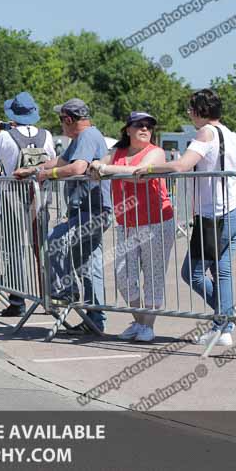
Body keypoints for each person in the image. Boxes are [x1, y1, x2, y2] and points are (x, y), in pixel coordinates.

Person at [134, 89, 236, 346]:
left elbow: (181, 165)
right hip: (232, 207)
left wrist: (148, 169)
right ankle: (224, 321)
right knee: (222, 270)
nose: (189, 114)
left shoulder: (206, 132)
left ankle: (224, 318)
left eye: (190, 109)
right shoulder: (228, 132)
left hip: (214, 213)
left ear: (200, 111)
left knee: (192, 272)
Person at [14, 98, 111, 334]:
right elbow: (61, 160)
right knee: (89, 265)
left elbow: (77, 168)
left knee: (55, 241)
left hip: (93, 211)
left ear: (69, 119)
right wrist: (34, 169)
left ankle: (65, 293)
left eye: (61, 120)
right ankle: (95, 319)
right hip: (89, 210)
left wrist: (47, 175)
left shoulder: (87, 136)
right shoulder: (82, 138)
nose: (61, 125)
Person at [88, 111, 175, 342]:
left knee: (153, 276)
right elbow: (96, 166)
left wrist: (105, 170)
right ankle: (139, 322)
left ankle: (148, 326)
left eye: (149, 126)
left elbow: (139, 174)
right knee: (123, 277)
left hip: (156, 221)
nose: (145, 129)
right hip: (127, 222)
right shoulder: (117, 152)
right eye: (139, 125)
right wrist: (97, 166)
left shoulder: (156, 152)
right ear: (128, 129)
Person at [0, 92, 56, 317]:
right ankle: (49, 297)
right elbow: (52, 159)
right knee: (41, 248)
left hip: (12, 197)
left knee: (13, 249)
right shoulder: (46, 135)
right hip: (39, 196)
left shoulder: (5, 136)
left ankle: (17, 300)